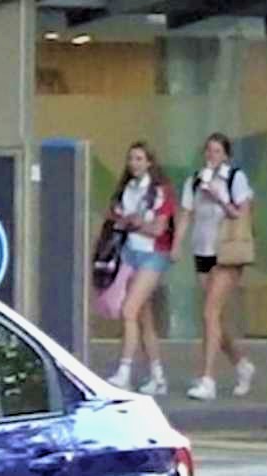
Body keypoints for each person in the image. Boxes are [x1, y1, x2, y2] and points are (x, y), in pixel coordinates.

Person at [177, 132, 257, 400]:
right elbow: (186, 215)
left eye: (217, 152)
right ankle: (241, 364)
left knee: (209, 313)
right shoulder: (195, 180)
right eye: (208, 151)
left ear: (226, 155)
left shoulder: (235, 178)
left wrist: (219, 197)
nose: (211, 156)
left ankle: (207, 378)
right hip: (203, 249)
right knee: (214, 318)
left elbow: (241, 213)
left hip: (227, 251)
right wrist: (177, 244)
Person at [104, 142, 177, 395]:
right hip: (130, 253)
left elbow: (158, 228)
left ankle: (124, 371)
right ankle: (158, 376)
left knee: (129, 310)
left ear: (149, 162)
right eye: (131, 159)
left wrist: (133, 223)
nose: (133, 164)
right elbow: (117, 217)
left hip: (152, 255)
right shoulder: (127, 188)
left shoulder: (160, 191)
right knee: (144, 319)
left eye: (139, 159)